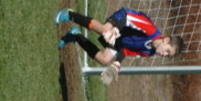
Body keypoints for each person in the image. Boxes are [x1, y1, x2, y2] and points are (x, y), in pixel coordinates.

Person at [54, 8, 184, 83]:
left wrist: (116, 66)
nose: (164, 54)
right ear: (166, 40)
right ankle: (69, 15)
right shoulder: (150, 30)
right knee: (104, 29)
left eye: (167, 55)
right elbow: (128, 18)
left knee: (104, 59)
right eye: (167, 51)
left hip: (120, 39)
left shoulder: (149, 52)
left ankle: (75, 35)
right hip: (122, 19)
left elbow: (126, 51)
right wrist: (115, 30)